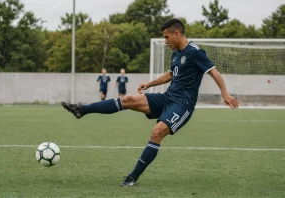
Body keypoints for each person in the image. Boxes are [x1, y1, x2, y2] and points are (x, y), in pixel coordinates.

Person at [61, 18, 239, 187]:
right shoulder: (176, 53)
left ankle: (132, 177)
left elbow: (214, 73)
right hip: (167, 98)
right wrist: (150, 83)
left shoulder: (195, 52)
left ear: (177, 33)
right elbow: (170, 75)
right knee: (128, 99)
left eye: (166, 37)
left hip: (182, 104)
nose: (165, 41)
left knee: (157, 132)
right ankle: (82, 109)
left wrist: (225, 94)